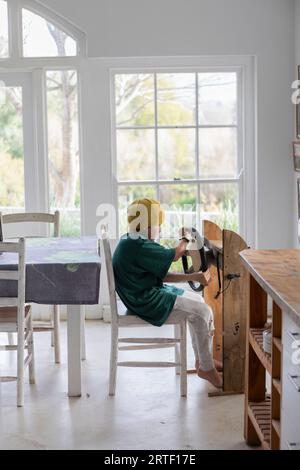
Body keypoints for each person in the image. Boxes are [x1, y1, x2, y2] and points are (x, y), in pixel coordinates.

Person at [112, 198, 222, 389]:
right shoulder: (139, 245)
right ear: (146, 225)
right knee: (202, 312)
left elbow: (160, 275)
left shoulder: (130, 239)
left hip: (141, 293)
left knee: (198, 300)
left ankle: (203, 361)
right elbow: (176, 254)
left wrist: (195, 277)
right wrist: (185, 238)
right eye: (157, 225)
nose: (160, 230)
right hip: (145, 299)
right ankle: (207, 367)